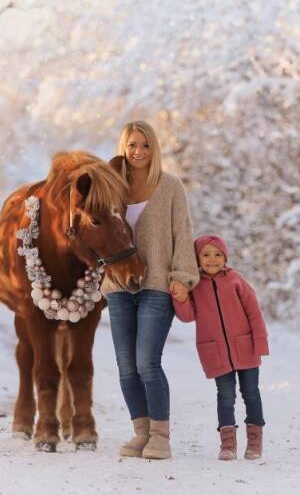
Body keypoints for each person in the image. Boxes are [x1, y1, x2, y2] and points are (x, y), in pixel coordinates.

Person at [101, 120, 199, 460]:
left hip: (157, 284)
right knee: (126, 366)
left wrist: (182, 275)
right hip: (118, 287)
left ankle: (160, 436)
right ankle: (141, 433)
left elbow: (183, 233)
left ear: (153, 148)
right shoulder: (112, 189)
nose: (138, 151)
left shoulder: (170, 187)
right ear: (123, 148)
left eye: (145, 145)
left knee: (147, 363)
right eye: (132, 145)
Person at [172, 234, 270, 460]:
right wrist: (181, 298)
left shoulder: (235, 280)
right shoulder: (195, 285)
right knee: (225, 396)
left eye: (217, 254)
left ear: (225, 257)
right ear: (197, 258)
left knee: (251, 393)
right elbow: (187, 316)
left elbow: (254, 313)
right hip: (215, 351)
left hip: (245, 347)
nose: (212, 259)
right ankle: (228, 445)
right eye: (206, 255)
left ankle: (254, 443)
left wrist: (260, 342)